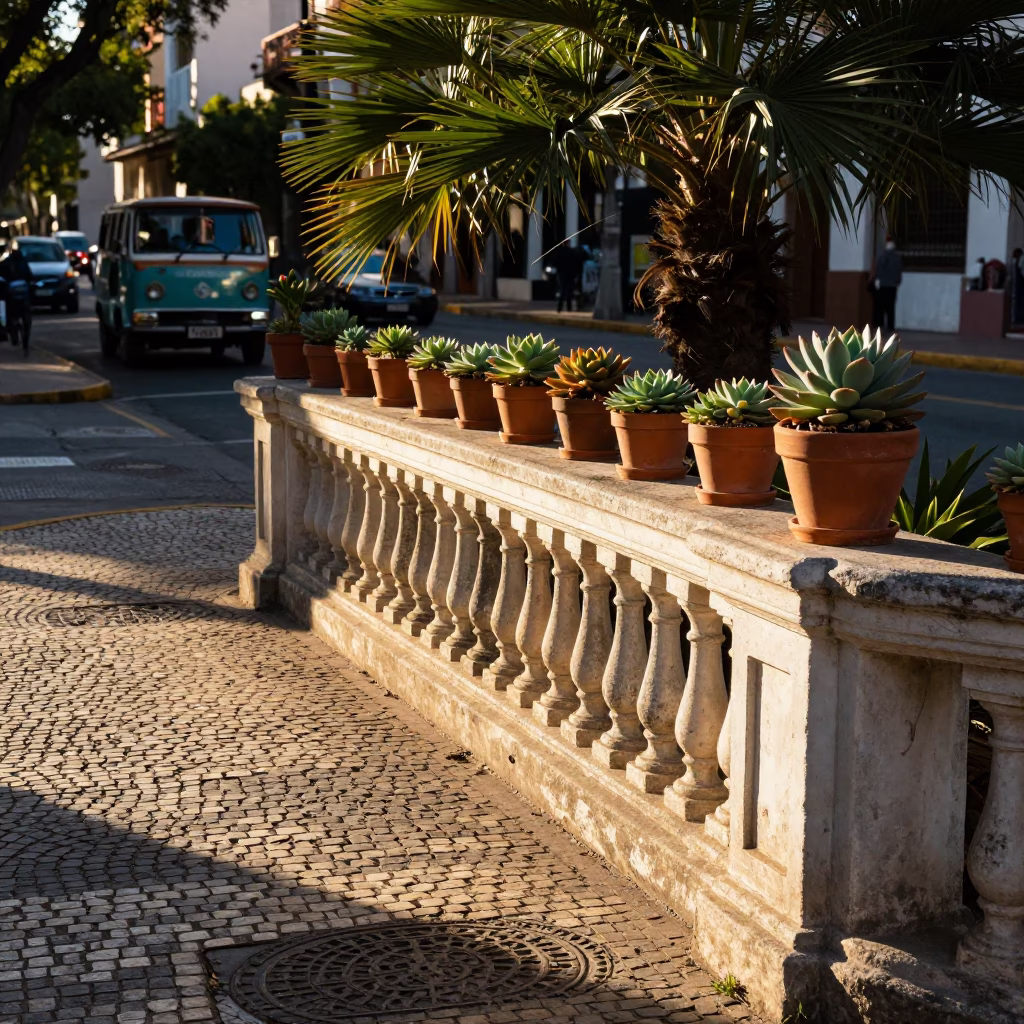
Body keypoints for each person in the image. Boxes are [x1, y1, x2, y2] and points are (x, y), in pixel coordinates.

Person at [871, 234, 903, 332]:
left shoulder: (882, 256)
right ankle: (890, 326)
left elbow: (879, 269)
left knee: (881, 307)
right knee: (890, 308)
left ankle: (880, 325)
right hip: (892, 286)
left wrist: (877, 280)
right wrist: (897, 282)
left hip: (883, 285)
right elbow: (899, 272)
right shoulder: (897, 258)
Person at [551, 239, 582, 313]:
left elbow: (555, 262)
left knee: (563, 290)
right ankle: (568, 308)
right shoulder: (571, 252)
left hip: (563, 274)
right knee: (569, 291)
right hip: (569, 274)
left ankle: (560, 308)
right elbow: (576, 263)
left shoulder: (560, 252)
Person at [1011, 247, 1024, 326]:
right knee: (1018, 302)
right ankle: (1017, 319)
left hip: (1021, 284)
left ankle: (1019, 319)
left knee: (1020, 302)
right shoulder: (1018, 260)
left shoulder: (1022, 259)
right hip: (1018, 285)